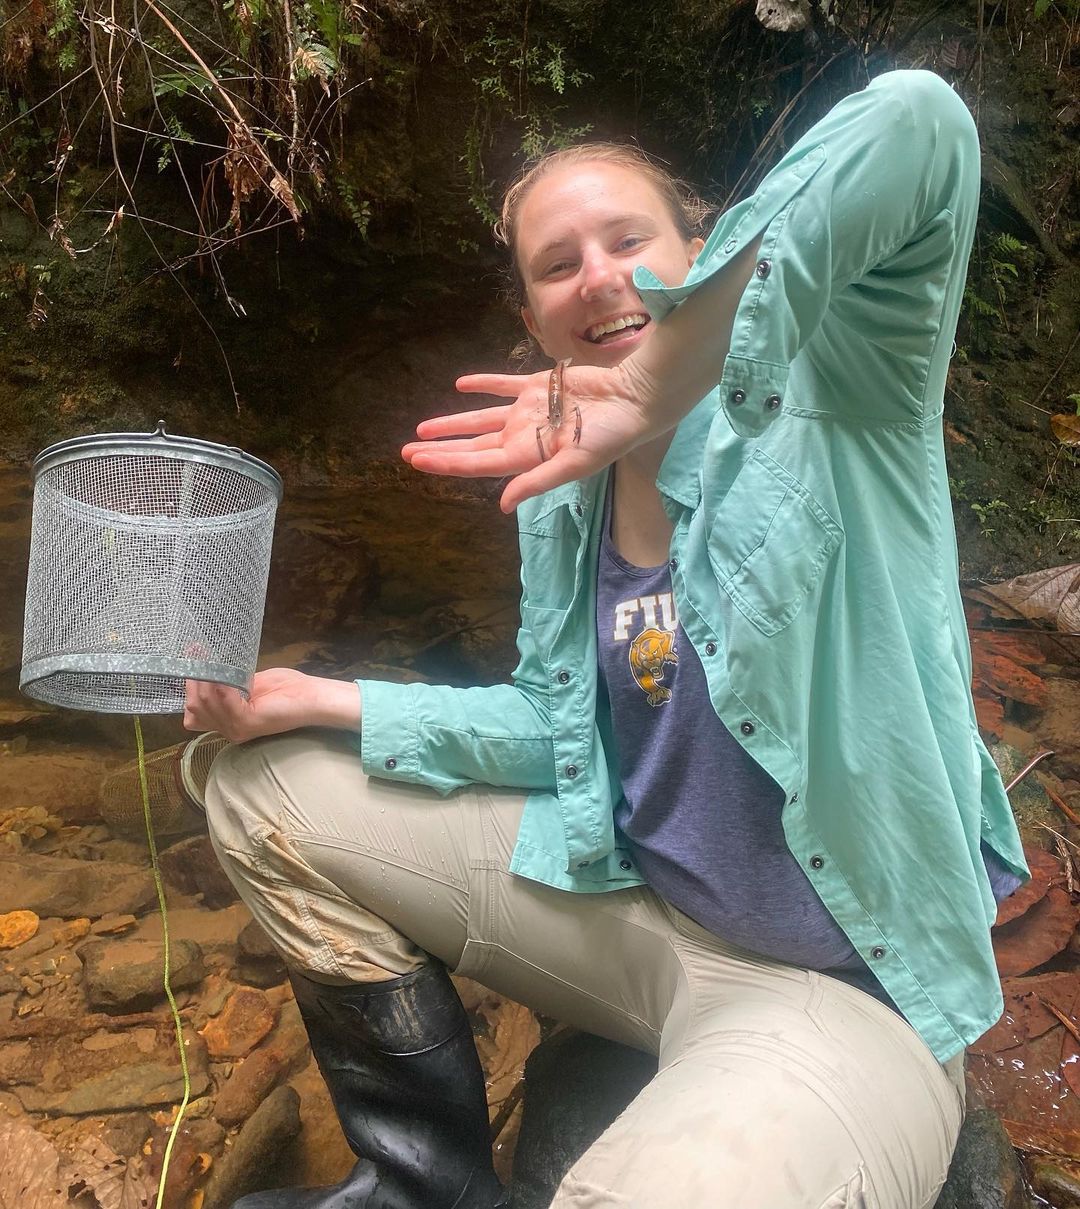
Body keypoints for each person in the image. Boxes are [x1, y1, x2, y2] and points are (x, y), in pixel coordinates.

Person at [188, 68, 1028, 1209]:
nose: (599, 277)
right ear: (532, 317)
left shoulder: (844, 397)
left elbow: (921, 124)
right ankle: (419, 1184)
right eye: (556, 265)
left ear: (703, 247)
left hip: (845, 991)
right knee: (256, 783)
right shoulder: (561, 492)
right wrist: (322, 702)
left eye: (629, 239)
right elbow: (556, 729)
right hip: (635, 916)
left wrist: (664, 376)